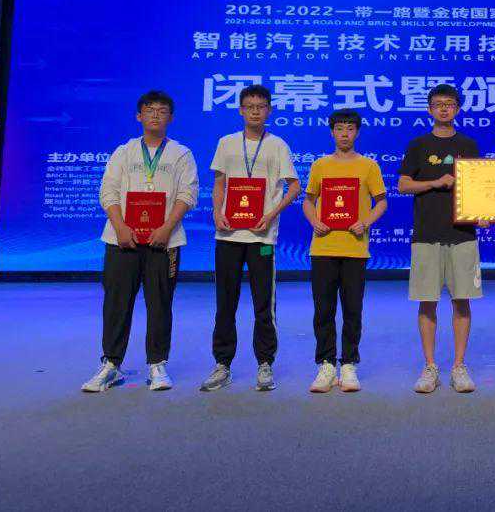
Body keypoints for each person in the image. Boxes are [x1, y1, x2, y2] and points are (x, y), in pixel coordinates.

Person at [82, 90, 199, 393]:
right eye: (149, 110)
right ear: (139, 116)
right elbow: (108, 191)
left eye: (162, 110)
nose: (155, 115)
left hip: (165, 241)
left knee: (160, 303)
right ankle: (111, 364)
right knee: (116, 303)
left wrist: (166, 228)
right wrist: (120, 227)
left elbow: (188, 195)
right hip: (122, 240)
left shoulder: (181, 154)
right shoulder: (124, 152)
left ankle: (157, 364)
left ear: (171, 117)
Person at [201, 85, 300, 393]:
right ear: (241, 110)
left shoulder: (278, 145)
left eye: (261, 106)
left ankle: (265, 363)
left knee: (263, 304)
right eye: (250, 106)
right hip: (228, 234)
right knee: (225, 302)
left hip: (262, 236)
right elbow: (219, 183)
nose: (255, 111)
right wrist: (217, 212)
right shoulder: (226, 143)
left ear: (269, 110)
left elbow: (295, 187)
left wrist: (270, 215)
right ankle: (222, 364)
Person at [397, 84, 481, 393]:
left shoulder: (469, 145)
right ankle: (430, 366)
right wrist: (435, 182)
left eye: (449, 103)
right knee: (427, 302)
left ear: (457, 108)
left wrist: (482, 212)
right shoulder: (418, 145)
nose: (444, 108)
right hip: (427, 234)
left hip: (463, 235)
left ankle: (459, 366)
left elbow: (478, 188)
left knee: (462, 301)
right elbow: (404, 185)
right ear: (429, 109)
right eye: (438, 104)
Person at [301, 109, 388, 393]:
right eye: (339, 128)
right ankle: (326, 365)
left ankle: (349, 364)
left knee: (353, 309)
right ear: (332, 132)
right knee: (323, 309)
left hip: (355, 248)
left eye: (350, 128)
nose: (345, 134)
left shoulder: (368, 166)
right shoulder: (320, 165)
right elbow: (308, 201)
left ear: (357, 132)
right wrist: (315, 221)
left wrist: (365, 222)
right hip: (323, 247)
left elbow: (381, 202)